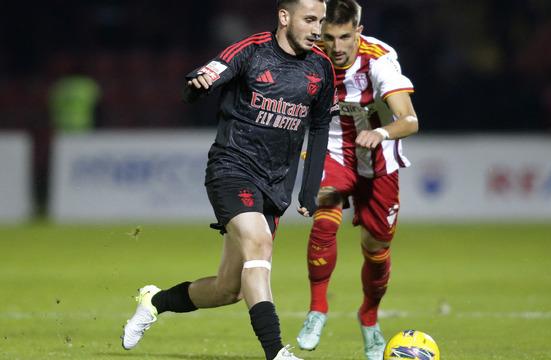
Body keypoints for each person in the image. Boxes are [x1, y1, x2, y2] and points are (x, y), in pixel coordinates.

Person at [121, 1, 338, 359]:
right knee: (258, 243)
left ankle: (154, 301)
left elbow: (318, 127)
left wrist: (309, 189)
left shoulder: (321, 68)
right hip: (231, 168)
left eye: (322, 21)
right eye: (310, 20)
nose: (318, 29)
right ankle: (276, 353)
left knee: (229, 290)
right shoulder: (250, 52)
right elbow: (198, 83)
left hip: (275, 185)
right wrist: (196, 84)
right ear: (284, 17)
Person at [295, 1, 419, 359]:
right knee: (324, 216)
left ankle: (368, 318)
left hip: (379, 161)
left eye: (345, 37)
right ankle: (317, 310)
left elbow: (410, 120)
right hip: (333, 151)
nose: (337, 47)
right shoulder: (310, 54)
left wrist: (381, 132)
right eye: (329, 37)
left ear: (358, 32)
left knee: (377, 248)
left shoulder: (378, 60)